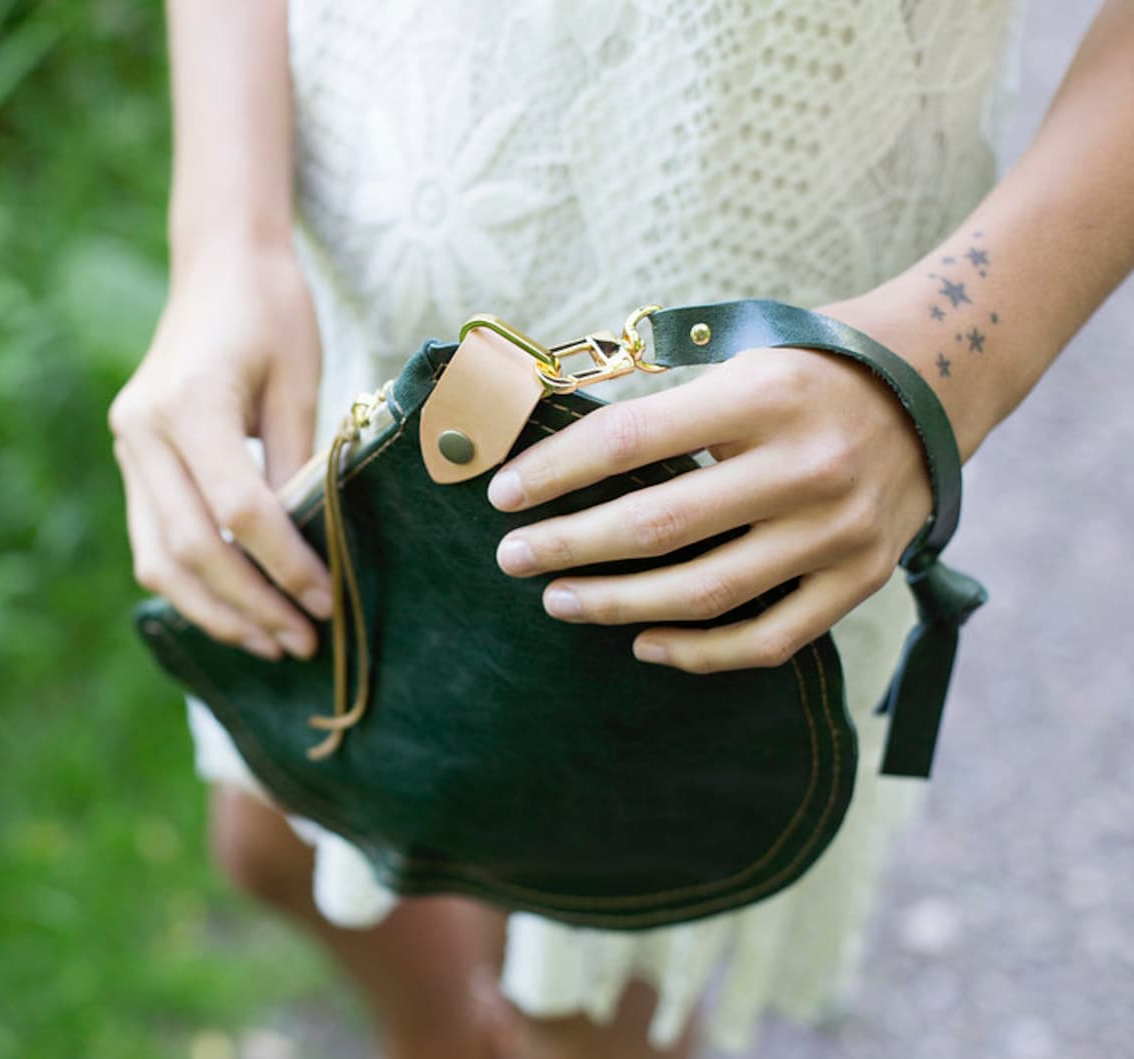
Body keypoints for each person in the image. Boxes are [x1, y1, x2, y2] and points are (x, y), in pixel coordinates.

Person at [108, 1, 1134, 1055]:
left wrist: (953, 358)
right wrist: (225, 237)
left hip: (746, 402)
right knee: (275, 839)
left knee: (592, 1001)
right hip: (340, 284)